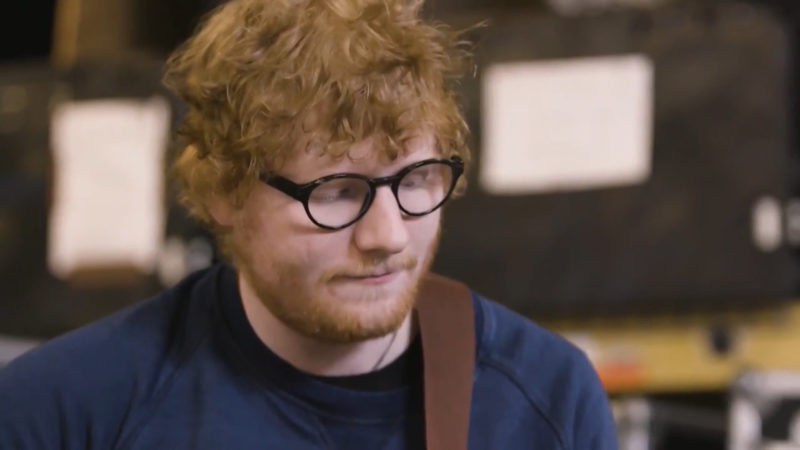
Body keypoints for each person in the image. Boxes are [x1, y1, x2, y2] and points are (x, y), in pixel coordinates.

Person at [0, 0, 618, 448]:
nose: (388, 236)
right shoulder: (62, 412)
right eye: (338, 192)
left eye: (417, 180)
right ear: (224, 194)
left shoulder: (548, 401)